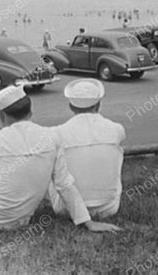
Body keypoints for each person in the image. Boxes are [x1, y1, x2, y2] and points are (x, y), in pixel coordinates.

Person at [0, 85, 122, 233]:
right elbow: (65, 185)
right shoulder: (52, 138)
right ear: (31, 112)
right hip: (22, 221)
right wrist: (87, 222)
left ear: (3, 117)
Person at [48, 79, 125, 218]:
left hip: (65, 209)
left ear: (71, 106)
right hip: (109, 207)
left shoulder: (57, 133)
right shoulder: (116, 129)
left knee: (52, 160)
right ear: (99, 105)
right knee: (117, 151)